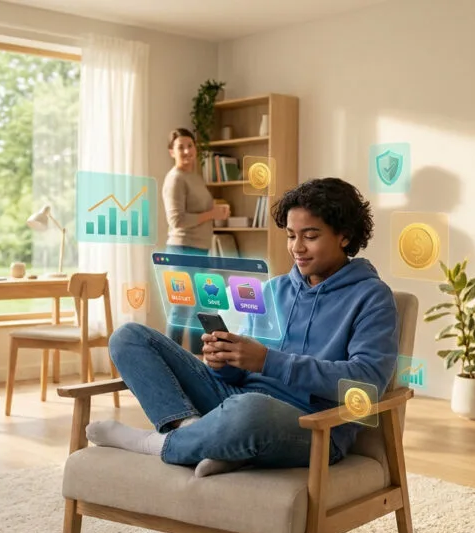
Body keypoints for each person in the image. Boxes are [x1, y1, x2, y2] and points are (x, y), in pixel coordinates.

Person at [86, 177, 400, 477]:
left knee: (250, 410)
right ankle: (198, 434)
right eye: (291, 235)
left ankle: (155, 444)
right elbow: (240, 374)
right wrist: (224, 360)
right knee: (129, 337)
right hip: (237, 400)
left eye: (311, 235)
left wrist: (268, 361)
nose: (297, 247)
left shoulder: (371, 297)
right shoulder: (275, 290)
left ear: (344, 235)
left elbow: (368, 382)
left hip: (311, 423)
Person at [161, 128, 230, 353]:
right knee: (181, 308)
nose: (187, 151)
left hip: (200, 250)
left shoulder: (195, 177)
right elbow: (176, 220)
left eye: (190, 145)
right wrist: (212, 214)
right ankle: (169, 363)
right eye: (181, 147)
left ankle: (196, 362)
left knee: (201, 308)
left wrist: (217, 211)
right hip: (182, 250)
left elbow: (200, 211)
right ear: (172, 152)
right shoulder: (175, 179)